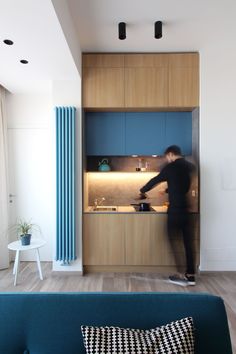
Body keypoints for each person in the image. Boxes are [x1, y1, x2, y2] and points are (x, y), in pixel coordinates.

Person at [139, 145, 196, 286]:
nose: (167, 159)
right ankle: (190, 275)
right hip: (187, 211)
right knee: (188, 244)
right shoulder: (189, 166)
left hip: (175, 211)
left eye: (167, 156)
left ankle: (180, 274)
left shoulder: (170, 168)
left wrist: (142, 190)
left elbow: (155, 180)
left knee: (172, 240)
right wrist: (167, 189)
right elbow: (183, 186)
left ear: (170, 154)